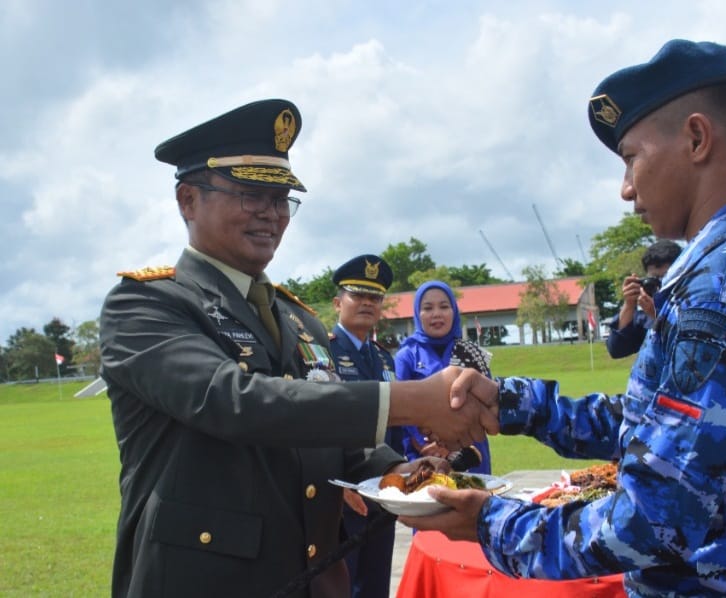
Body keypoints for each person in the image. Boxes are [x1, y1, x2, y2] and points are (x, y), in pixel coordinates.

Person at [401, 40, 726, 596]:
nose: (627, 189)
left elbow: (655, 521)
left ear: (696, 139)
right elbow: (655, 426)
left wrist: (490, 522)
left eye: (631, 158)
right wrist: (514, 404)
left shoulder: (722, 293)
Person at [98, 99, 495, 598]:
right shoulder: (144, 305)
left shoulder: (299, 319)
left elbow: (334, 440)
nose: (271, 213)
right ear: (187, 201)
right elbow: (234, 401)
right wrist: (413, 400)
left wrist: (399, 472)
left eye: (281, 198)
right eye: (249, 194)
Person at [327, 253, 402, 598]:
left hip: (382, 491)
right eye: (358, 295)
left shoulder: (385, 359)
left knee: (375, 583)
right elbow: (310, 425)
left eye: (375, 298)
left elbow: (397, 424)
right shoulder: (320, 353)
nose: (367, 304)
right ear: (337, 302)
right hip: (341, 493)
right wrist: (333, 485)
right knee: (338, 584)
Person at [394, 281, 493, 475]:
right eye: (428, 308)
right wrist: (428, 444)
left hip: (471, 453)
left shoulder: (471, 352)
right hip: (425, 454)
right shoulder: (406, 355)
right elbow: (399, 410)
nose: (436, 314)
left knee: (474, 501)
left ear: (454, 312)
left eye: (444, 306)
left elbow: (489, 403)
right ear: (417, 313)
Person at [605, 239, 682, 358]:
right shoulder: (643, 316)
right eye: (655, 279)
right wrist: (629, 304)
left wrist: (658, 316)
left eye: (666, 278)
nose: (661, 285)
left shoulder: (695, 302)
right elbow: (617, 349)